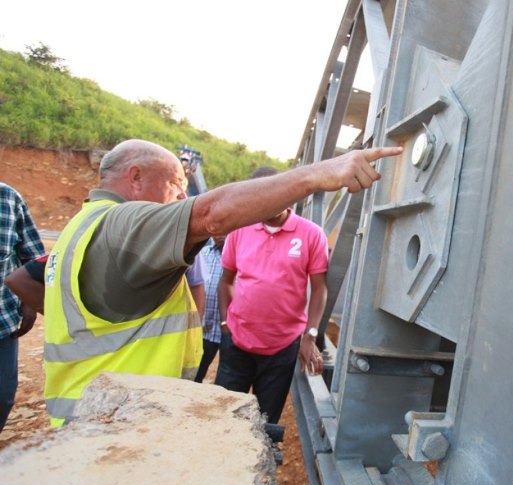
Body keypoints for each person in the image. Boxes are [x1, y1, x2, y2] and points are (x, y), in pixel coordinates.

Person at [43, 139, 400, 426]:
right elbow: (210, 216)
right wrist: (317, 175)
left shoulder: (84, 224)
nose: (183, 195)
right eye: (176, 184)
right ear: (135, 177)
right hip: (114, 420)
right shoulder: (123, 224)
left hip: (100, 410)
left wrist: (307, 334)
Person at [214, 166, 328, 424]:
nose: (271, 200)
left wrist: (310, 336)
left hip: (281, 349)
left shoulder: (311, 234)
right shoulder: (239, 230)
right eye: (263, 195)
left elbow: (320, 288)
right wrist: (224, 325)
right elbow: (226, 281)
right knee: (223, 418)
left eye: (276, 192)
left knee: (265, 423)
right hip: (237, 344)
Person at [0, 184, 45, 432]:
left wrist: (29, 304)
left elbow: (32, 254)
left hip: (2, 325)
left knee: (3, 395)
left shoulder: (7, 198)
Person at [194, 234, 225, 383]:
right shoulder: (201, 254)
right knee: (195, 375)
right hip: (204, 329)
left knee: (226, 382)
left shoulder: (241, 255)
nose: (220, 234)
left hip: (228, 331)